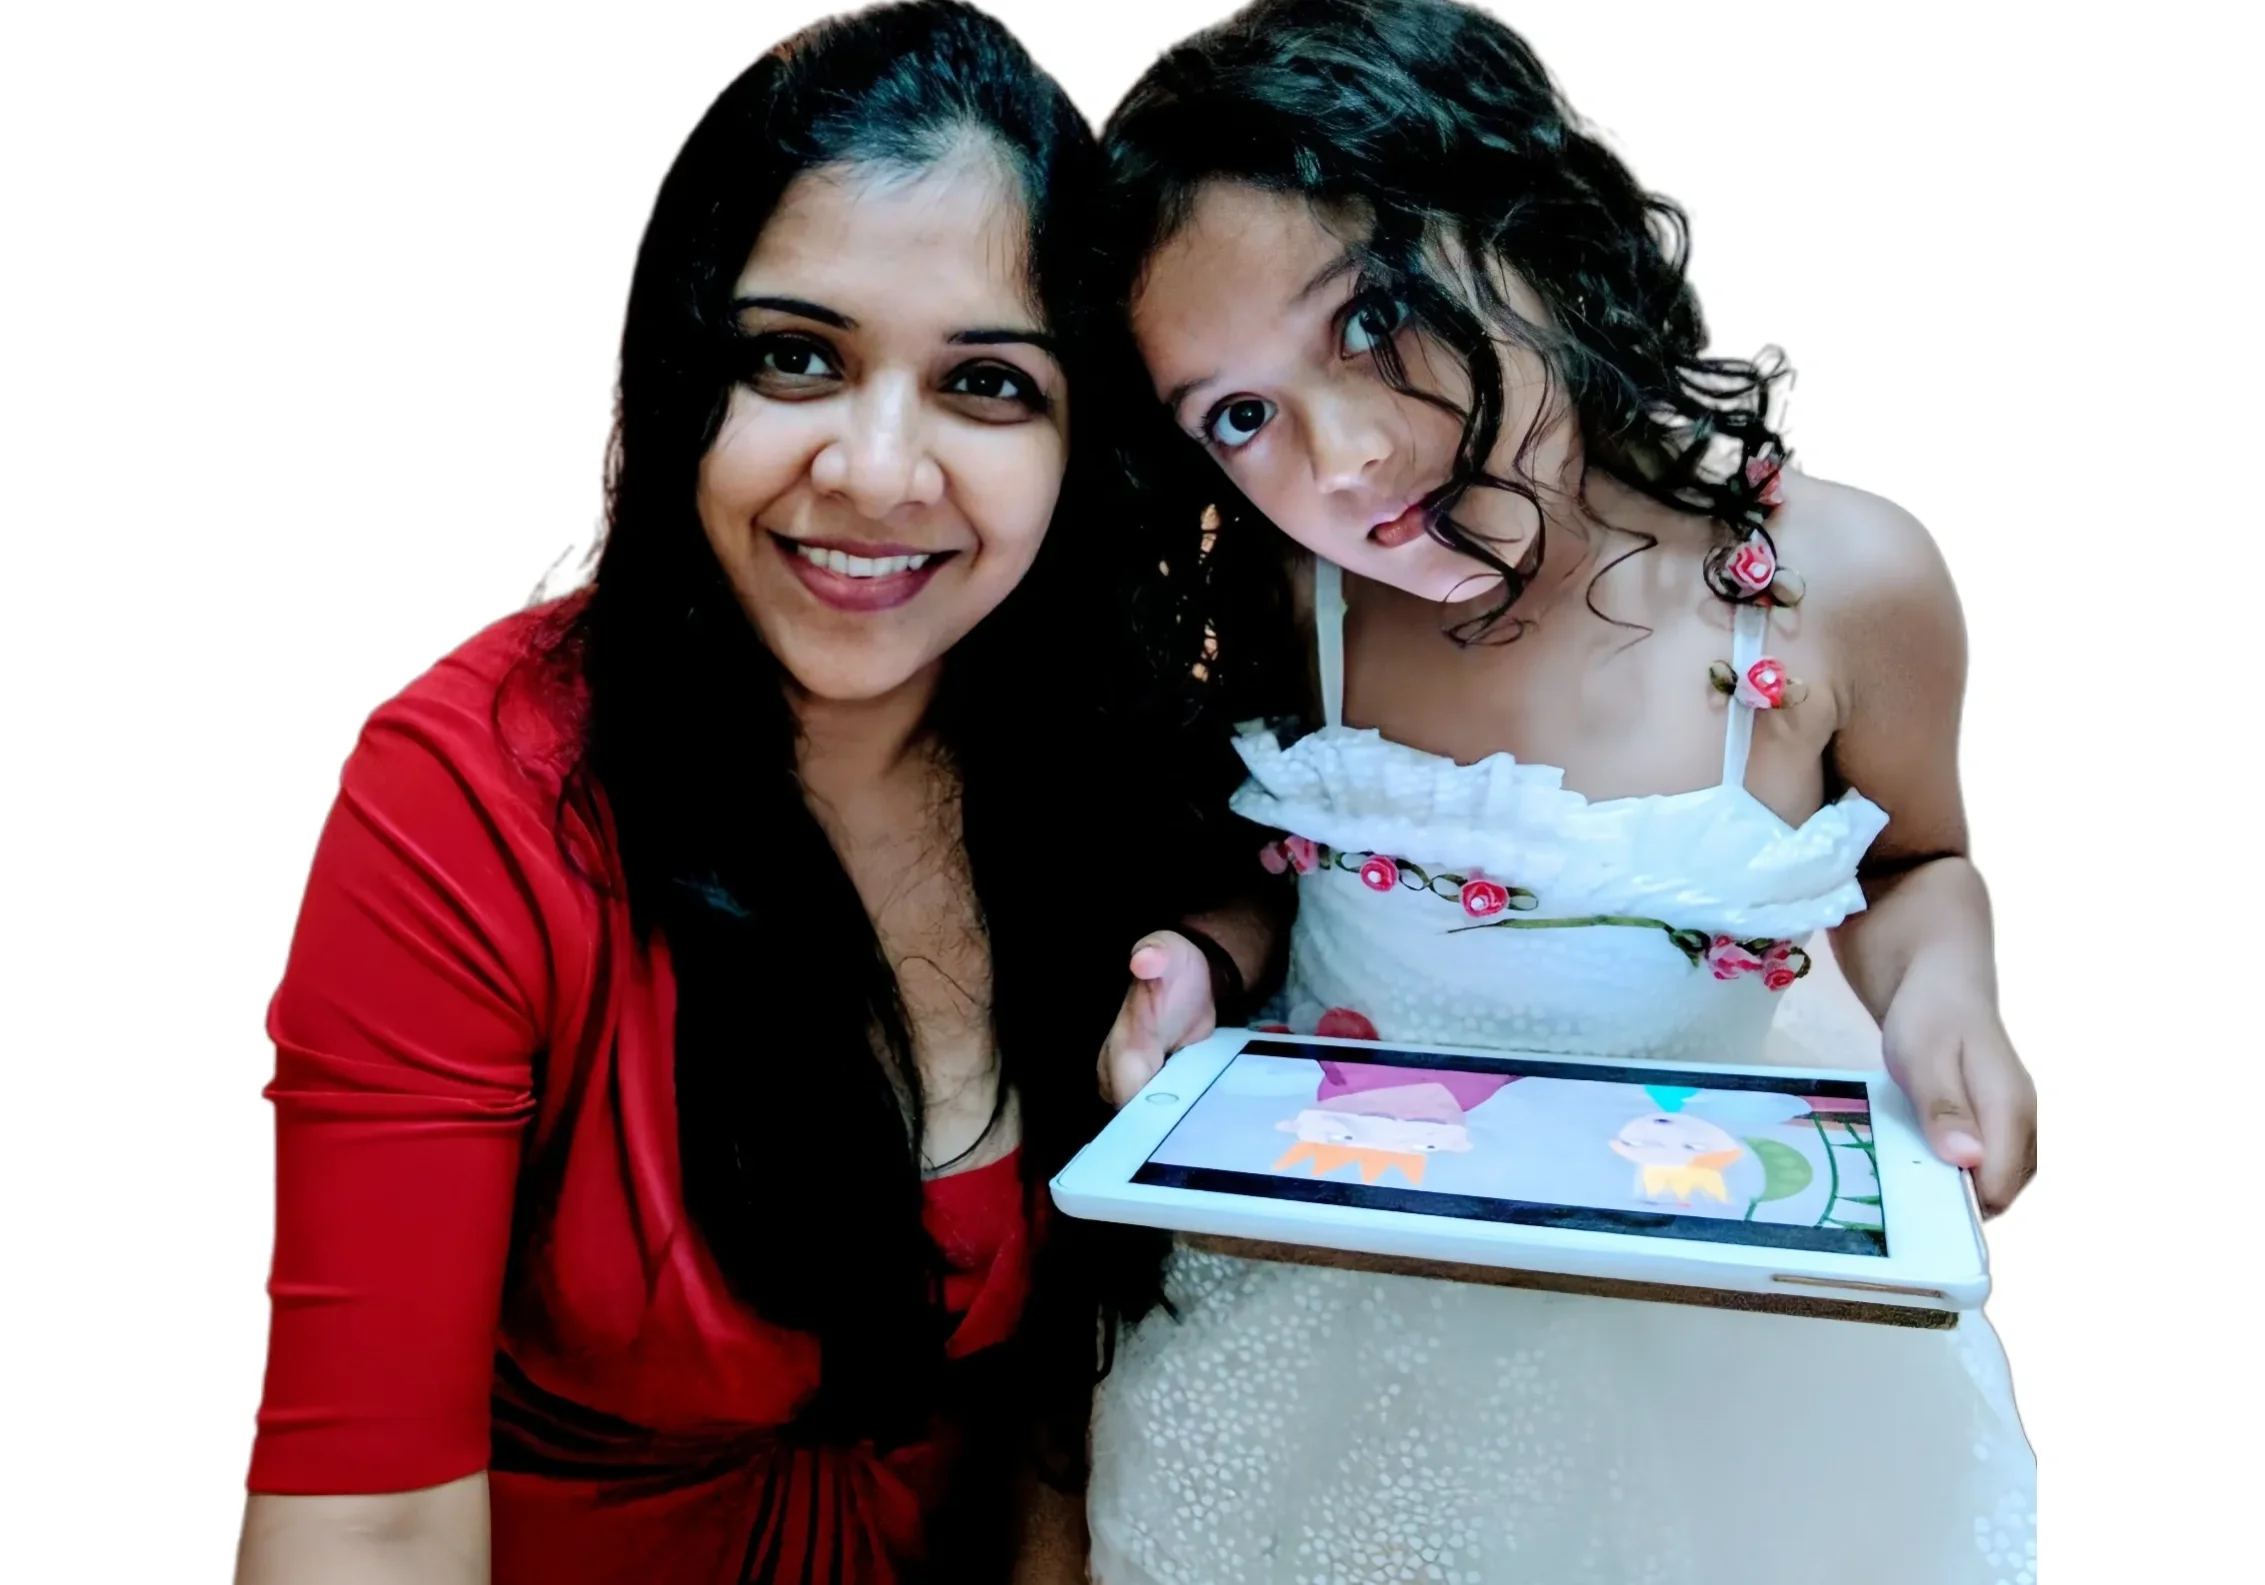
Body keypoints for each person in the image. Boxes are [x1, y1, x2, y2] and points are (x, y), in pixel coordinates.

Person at [233, 6, 1267, 1582]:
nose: (873, 467)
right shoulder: (463, 803)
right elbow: (365, 1529)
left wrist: (1219, 943)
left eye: (986, 384)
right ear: (678, 371)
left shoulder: (1098, 754)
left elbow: (1291, 872)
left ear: (1085, 441)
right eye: (796, 357)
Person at [1081, 2, 2039, 1580]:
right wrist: (1206, 959)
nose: (1338, 460)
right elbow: (1277, 855)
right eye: (1237, 416)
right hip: (1340, 1297)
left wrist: (1950, 993)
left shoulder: (1836, 590)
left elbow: (1913, 860)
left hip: (1704, 1321)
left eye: (1375, 315)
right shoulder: (1294, 595)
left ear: (1538, 228)